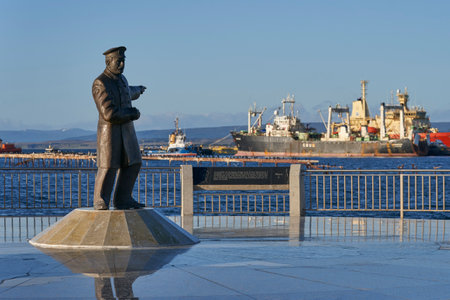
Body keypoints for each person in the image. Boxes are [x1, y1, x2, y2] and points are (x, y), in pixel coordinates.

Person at [92, 46, 146, 210]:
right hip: (111, 133)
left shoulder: (122, 79)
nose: (122, 64)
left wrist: (138, 90)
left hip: (126, 132)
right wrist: (132, 113)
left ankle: (123, 199)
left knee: (133, 163)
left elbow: (127, 92)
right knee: (108, 166)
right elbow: (108, 113)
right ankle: (100, 199)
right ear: (109, 62)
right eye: (118, 61)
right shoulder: (100, 83)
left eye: (123, 61)